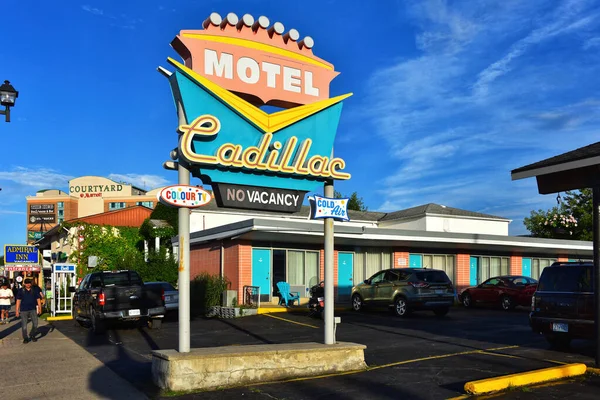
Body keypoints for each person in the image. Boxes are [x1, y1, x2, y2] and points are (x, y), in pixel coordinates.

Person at [16, 279, 43, 344]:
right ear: (24, 284)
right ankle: (25, 338)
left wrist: (40, 308)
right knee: (24, 325)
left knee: (35, 324)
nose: (28, 284)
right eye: (27, 283)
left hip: (32, 309)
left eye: (29, 283)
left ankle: (32, 335)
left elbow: (38, 299)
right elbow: (18, 300)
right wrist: (17, 310)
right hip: (23, 310)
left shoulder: (34, 290)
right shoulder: (21, 291)